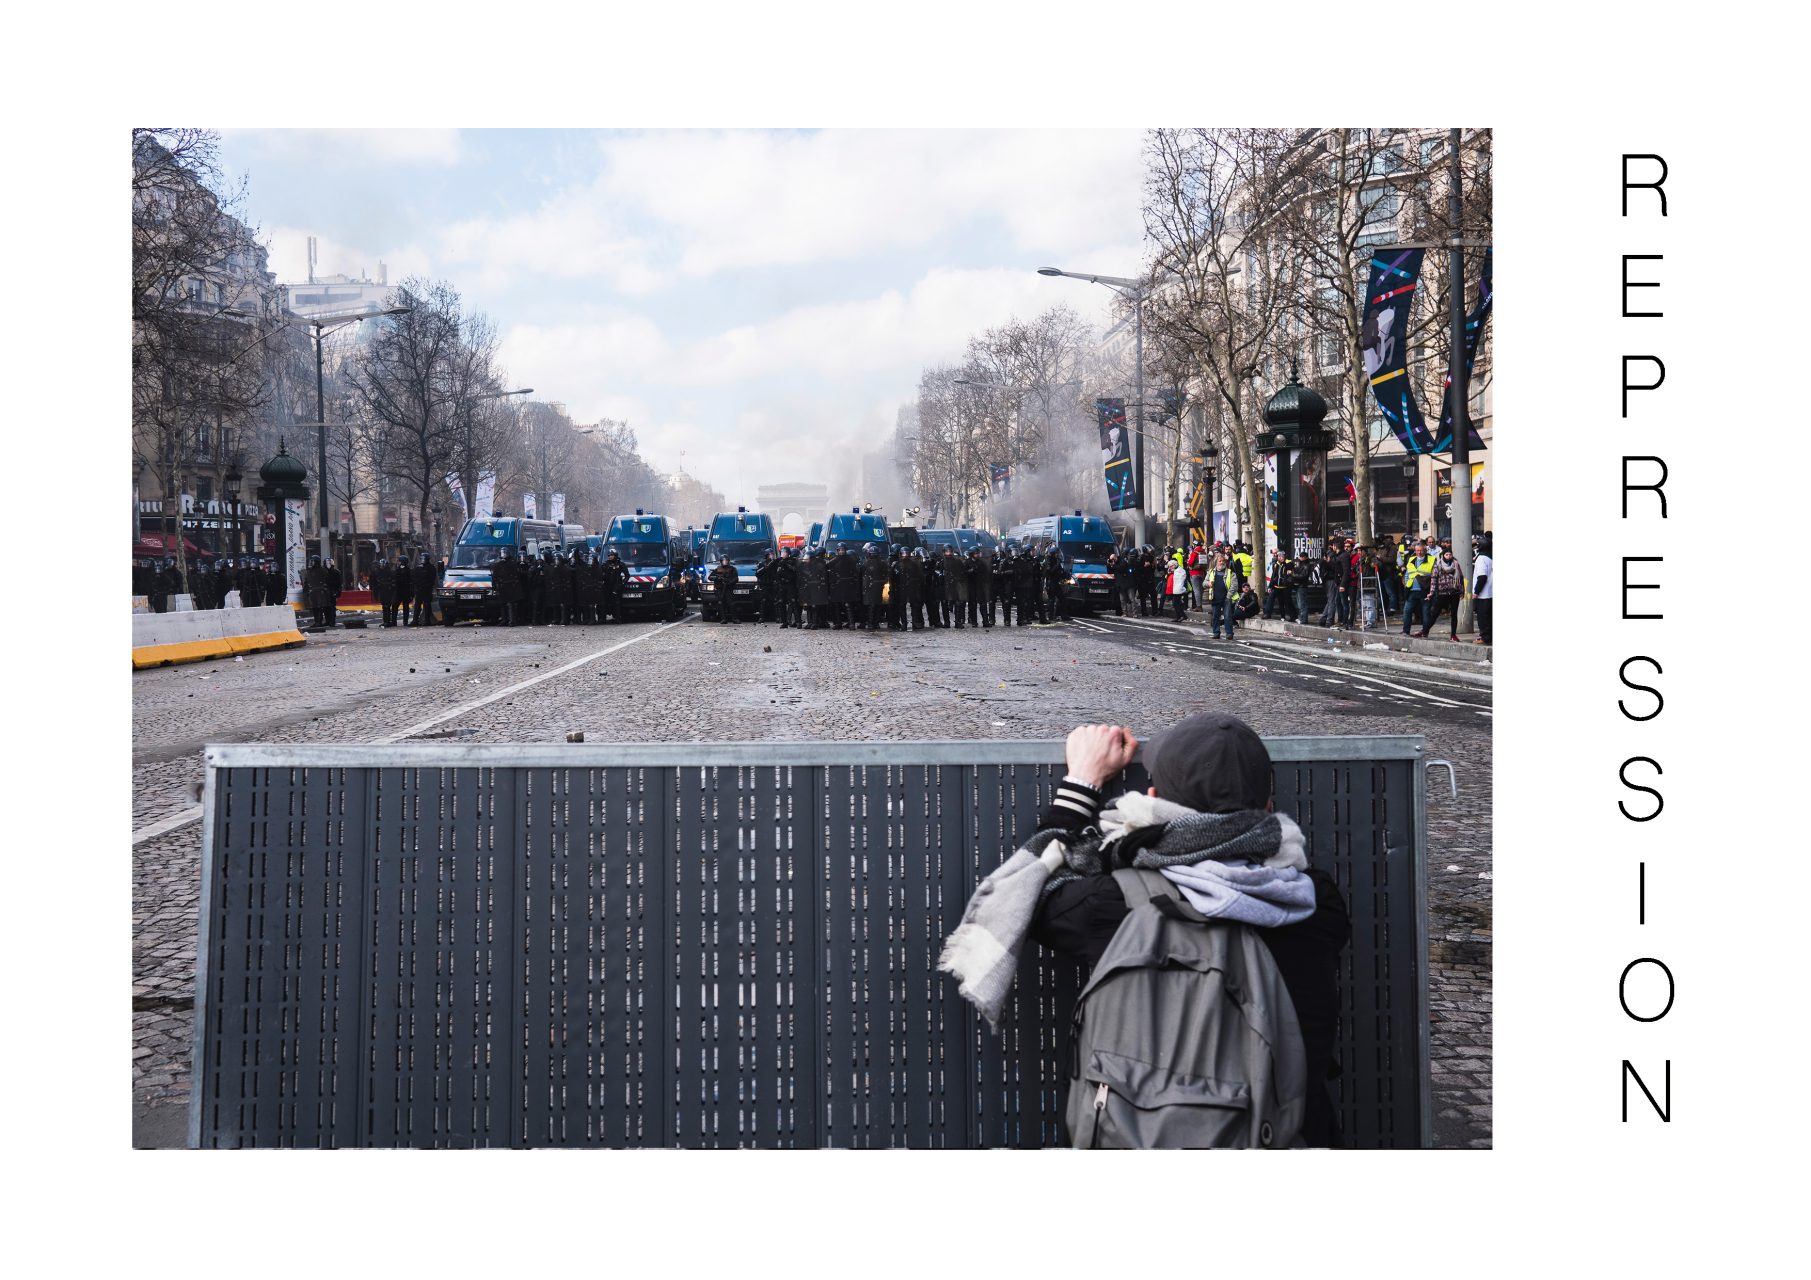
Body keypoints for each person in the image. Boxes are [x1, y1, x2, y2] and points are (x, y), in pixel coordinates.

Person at [940, 715, 1350, 1147]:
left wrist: (1081, 784)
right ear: (1268, 808)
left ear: (1152, 798)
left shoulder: (1112, 904)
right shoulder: (1315, 902)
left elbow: (1031, 890)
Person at [1418, 545, 1466, 640]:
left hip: (1454, 592)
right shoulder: (1438, 565)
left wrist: (1462, 591)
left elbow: (1460, 577)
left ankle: (1453, 635)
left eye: (1450, 554)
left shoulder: (1456, 564)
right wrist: (1431, 592)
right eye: (1446, 554)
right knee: (1435, 613)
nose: (1448, 556)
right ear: (1443, 555)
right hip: (1442, 593)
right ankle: (1424, 631)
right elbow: (1433, 580)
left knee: (1454, 614)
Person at [1400, 539, 1435, 637]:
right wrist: (1406, 584)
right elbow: (1408, 574)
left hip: (1425, 590)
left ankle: (1425, 632)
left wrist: (1432, 590)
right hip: (1411, 590)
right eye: (1417, 550)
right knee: (1407, 611)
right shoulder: (1411, 559)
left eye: (1421, 550)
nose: (1419, 552)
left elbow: (1434, 576)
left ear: (1425, 550)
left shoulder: (1432, 560)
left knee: (1425, 612)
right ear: (1415, 551)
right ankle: (1406, 631)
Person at [1207, 552, 1240, 639]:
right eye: (1219, 561)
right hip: (1215, 597)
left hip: (1226, 598)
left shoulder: (1230, 572)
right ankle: (1216, 632)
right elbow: (1204, 583)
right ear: (1216, 562)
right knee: (1215, 617)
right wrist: (1208, 583)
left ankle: (1229, 633)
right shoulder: (1211, 572)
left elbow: (1234, 585)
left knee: (1227, 616)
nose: (1221, 563)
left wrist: (1228, 596)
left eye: (1223, 561)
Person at [1472, 535, 1493, 646]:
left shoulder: (1481, 559)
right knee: (1490, 617)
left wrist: (1476, 591)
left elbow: (1482, 577)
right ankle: (1490, 636)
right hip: (1491, 592)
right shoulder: (1490, 557)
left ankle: (1485, 637)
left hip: (1483, 594)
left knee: (1483, 618)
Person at [492, 549, 521, 627]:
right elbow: (494, 577)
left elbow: (516, 575)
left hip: (510, 586)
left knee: (511, 604)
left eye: (505, 553)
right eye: (502, 553)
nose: (504, 554)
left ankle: (512, 621)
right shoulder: (497, 565)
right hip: (502, 586)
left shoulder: (512, 563)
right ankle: (504, 620)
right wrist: (494, 587)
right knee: (502, 604)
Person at [860, 544, 886, 630]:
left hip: (871, 587)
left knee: (872, 606)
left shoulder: (867, 563)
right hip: (877, 587)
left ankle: (872, 623)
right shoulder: (882, 563)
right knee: (876, 606)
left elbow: (861, 573)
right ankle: (875, 623)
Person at [773, 547, 800, 627]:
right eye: (782, 552)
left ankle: (798, 622)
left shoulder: (793, 561)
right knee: (781, 603)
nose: (783, 554)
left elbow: (795, 570)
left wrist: (786, 565)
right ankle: (784, 622)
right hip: (782, 585)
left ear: (788, 553)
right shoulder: (779, 561)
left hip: (790, 585)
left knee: (793, 603)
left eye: (784, 552)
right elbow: (775, 572)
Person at [303, 555, 331, 629]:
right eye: (311, 561)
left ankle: (320, 622)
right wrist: (306, 589)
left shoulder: (322, 570)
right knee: (314, 607)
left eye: (313, 561)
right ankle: (317, 621)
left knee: (320, 607)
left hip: (320, 591)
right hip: (313, 591)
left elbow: (327, 581)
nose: (311, 563)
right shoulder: (309, 571)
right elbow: (306, 581)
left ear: (317, 562)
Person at [600, 548, 628, 623]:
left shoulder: (620, 564)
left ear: (615, 555)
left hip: (616, 586)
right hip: (606, 586)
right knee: (604, 603)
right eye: (608, 555)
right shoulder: (605, 564)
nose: (609, 557)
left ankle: (617, 618)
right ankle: (603, 619)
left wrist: (621, 584)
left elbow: (627, 575)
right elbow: (600, 574)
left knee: (616, 603)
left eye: (611, 555)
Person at [709, 556, 739, 623]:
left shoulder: (732, 569)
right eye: (723, 561)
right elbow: (710, 577)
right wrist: (717, 578)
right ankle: (723, 619)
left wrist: (729, 582)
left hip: (728, 588)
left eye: (726, 561)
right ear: (721, 561)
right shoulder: (718, 569)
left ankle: (734, 618)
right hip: (720, 589)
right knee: (721, 604)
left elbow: (736, 579)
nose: (725, 562)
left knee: (731, 603)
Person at [410, 552, 437, 626]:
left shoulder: (431, 568)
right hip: (419, 589)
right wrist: (416, 586)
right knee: (417, 606)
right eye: (422, 559)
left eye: (424, 559)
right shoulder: (418, 568)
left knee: (427, 605)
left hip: (427, 590)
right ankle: (415, 620)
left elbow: (432, 579)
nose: (423, 560)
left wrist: (427, 585)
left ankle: (427, 621)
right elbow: (413, 577)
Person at [992, 544, 1016, 627]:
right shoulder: (993, 560)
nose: (999, 554)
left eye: (1000, 552)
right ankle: (991, 619)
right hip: (994, 583)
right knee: (992, 602)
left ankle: (1007, 620)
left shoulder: (1006, 561)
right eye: (998, 552)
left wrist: (1004, 573)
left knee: (1006, 603)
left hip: (1003, 584)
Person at [373, 556, 399, 627]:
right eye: (381, 564)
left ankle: (388, 621)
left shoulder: (390, 573)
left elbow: (393, 583)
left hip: (388, 591)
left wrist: (387, 585)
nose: (382, 566)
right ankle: (385, 621)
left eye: (383, 564)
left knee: (387, 607)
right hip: (382, 592)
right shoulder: (378, 573)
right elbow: (376, 581)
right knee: (384, 607)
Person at [1044, 547, 1068, 622]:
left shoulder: (1057, 561)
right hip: (1051, 583)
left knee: (1062, 598)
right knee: (1051, 599)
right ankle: (1051, 616)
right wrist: (1057, 565)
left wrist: (1066, 574)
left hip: (1056, 583)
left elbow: (1060, 572)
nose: (1058, 555)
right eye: (1057, 553)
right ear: (1053, 554)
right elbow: (1050, 571)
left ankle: (1064, 616)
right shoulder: (1048, 561)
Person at [325, 557, 343, 628]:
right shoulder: (325, 572)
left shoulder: (336, 572)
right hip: (327, 592)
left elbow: (339, 583)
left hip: (332, 592)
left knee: (331, 607)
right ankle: (328, 621)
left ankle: (331, 622)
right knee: (326, 607)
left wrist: (337, 592)